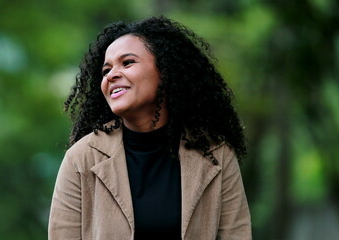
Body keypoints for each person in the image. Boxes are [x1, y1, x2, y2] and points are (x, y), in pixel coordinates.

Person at [48, 16, 251, 240]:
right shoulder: (81, 159)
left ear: (166, 70)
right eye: (106, 71)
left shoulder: (216, 154)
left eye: (127, 63)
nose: (111, 75)